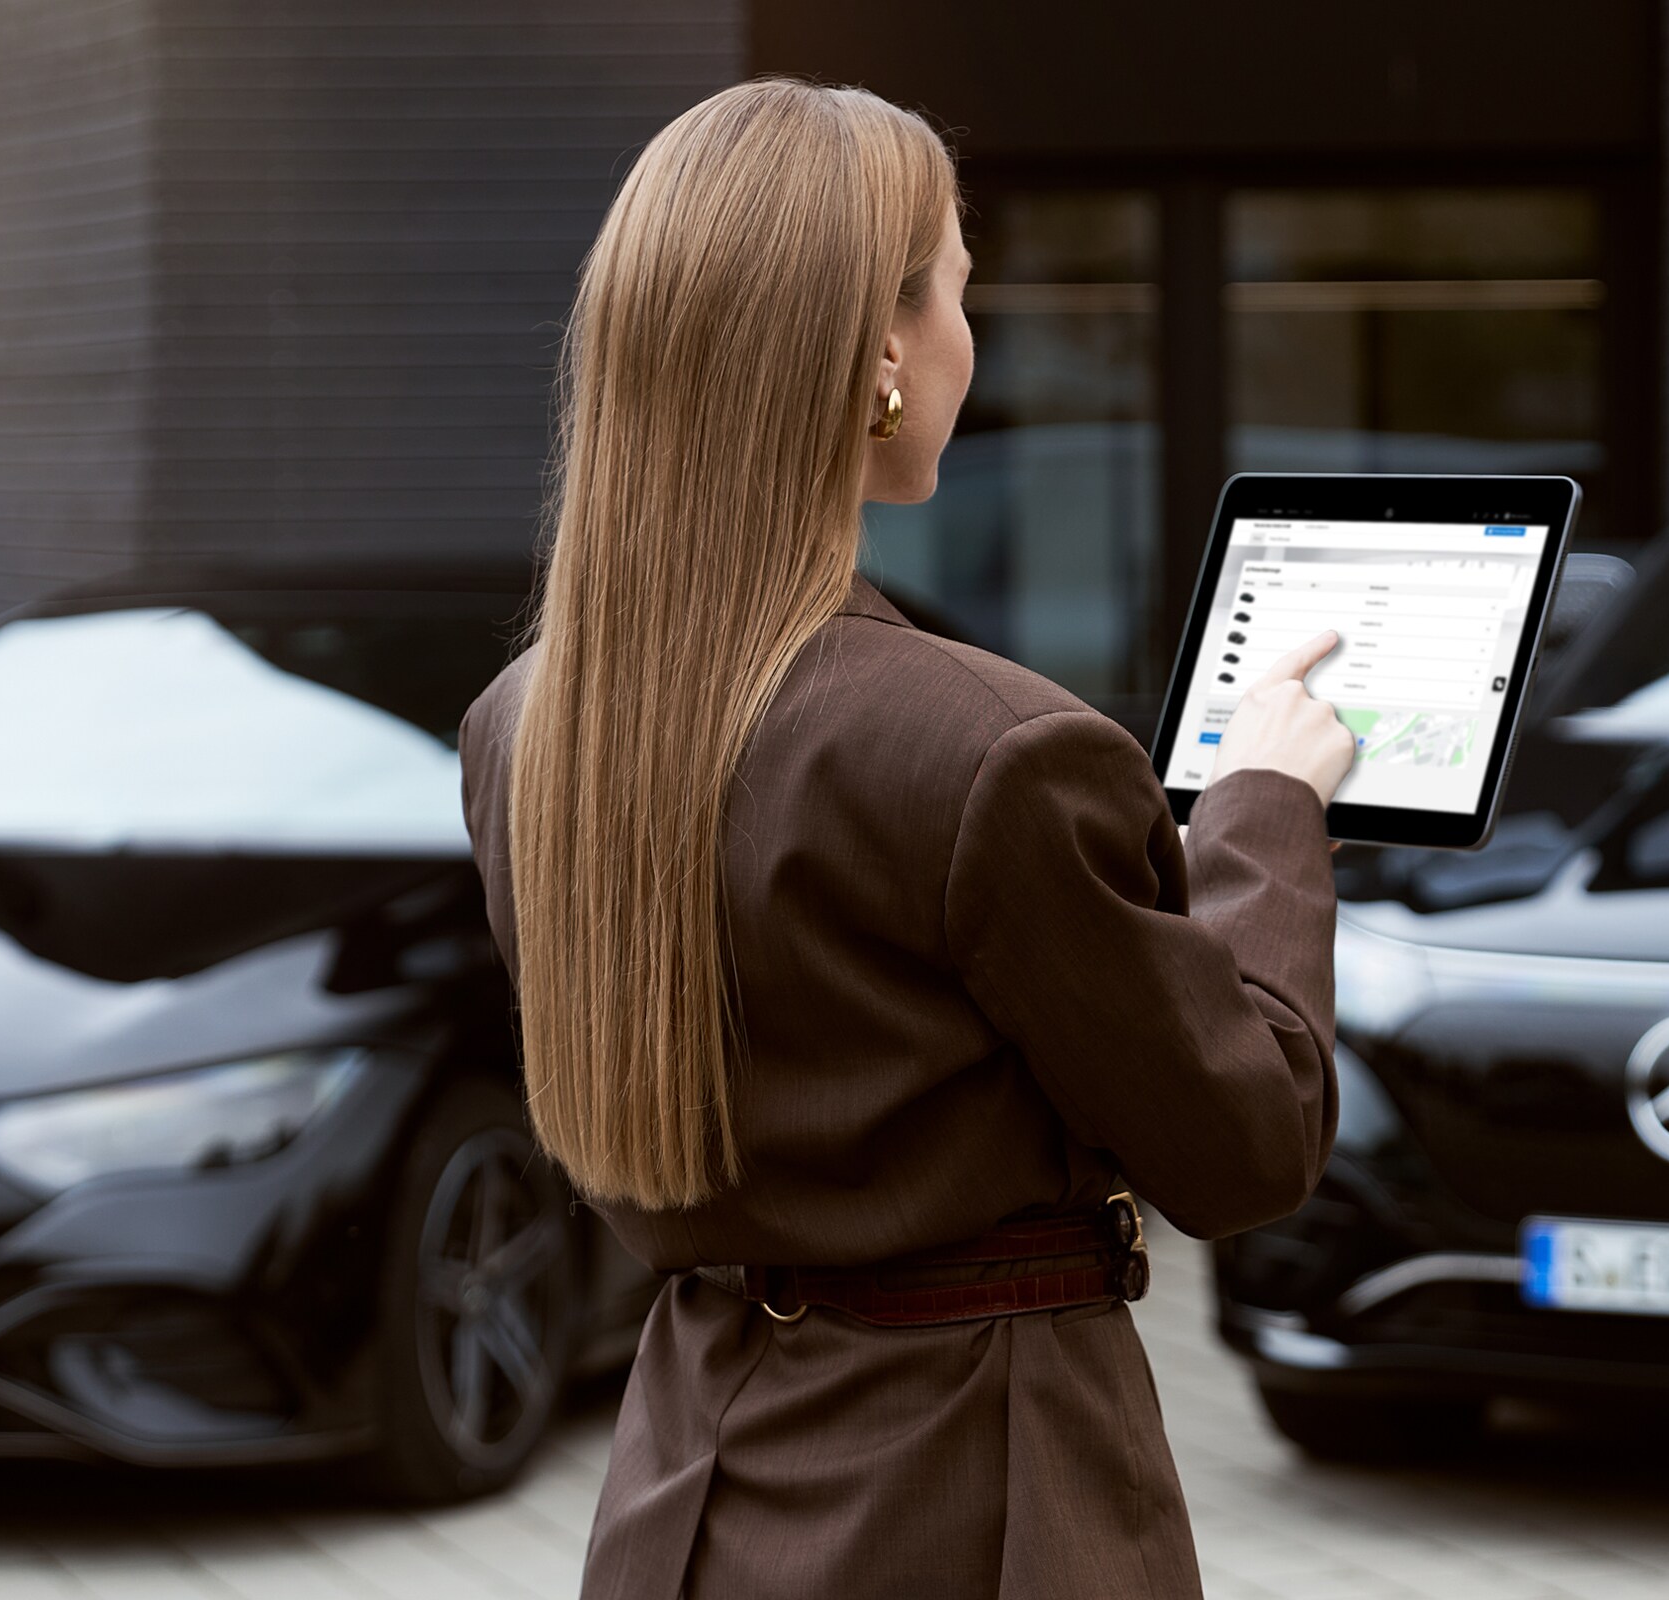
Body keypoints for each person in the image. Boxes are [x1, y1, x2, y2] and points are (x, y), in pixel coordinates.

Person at [457, 76, 1356, 1599]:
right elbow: (1247, 1144)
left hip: (684, 1484)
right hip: (976, 1493)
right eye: (957, 284)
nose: (969, 334)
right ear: (879, 355)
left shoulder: (522, 726)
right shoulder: (999, 754)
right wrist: (1269, 808)